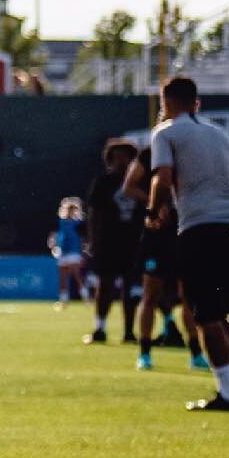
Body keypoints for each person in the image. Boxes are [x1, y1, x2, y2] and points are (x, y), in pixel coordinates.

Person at [146, 75, 229, 411]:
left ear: (166, 103)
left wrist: (153, 210)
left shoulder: (166, 133)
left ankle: (228, 394)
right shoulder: (219, 134)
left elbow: (162, 179)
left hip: (200, 227)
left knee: (203, 315)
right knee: (219, 312)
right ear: (196, 101)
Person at [122, 147, 202, 373]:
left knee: (189, 296)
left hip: (186, 229)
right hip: (157, 234)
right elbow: (129, 185)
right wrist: (154, 204)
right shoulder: (151, 153)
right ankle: (144, 352)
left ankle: (196, 352)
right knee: (150, 295)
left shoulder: (192, 151)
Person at [82, 139, 142, 345]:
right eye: (116, 156)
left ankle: (129, 331)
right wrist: (92, 240)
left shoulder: (140, 182)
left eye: (124, 156)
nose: (120, 161)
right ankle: (100, 327)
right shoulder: (103, 182)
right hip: (107, 242)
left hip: (132, 242)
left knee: (130, 288)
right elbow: (94, 214)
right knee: (105, 285)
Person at [49, 197, 86, 308]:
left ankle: (86, 297)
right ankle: (63, 301)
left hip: (74, 252)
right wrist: (54, 244)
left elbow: (83, 238)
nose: (70, 212)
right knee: (63, 278)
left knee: (77, 276)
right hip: (64, 252)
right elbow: (56, 236)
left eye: (72, 210)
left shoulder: (79, 223)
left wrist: (82, 251)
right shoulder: (61, 222)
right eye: (68, 209)